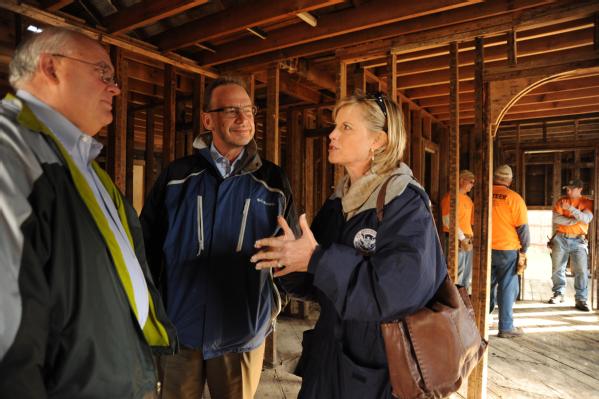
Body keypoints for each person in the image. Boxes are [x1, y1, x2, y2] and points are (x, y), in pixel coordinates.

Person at [0, 28, 176, 398]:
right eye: (104, 73)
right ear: (51, 67)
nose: (115, 88)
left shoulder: (79, 164)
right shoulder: (12, 152)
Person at [251, 93, 447, 398]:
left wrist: (317, 259)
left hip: (378, 372)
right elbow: (319, 284)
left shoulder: (404, 203)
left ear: (378, 141)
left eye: (346, 127)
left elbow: (397, 293)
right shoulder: (340, 200)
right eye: (334, 126)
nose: (331, 134)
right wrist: (289, 261)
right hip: (328, 361)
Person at [140, 77, 297, 399]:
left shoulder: (272, 180)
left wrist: (269, 306)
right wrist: (157, 309)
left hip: (241, 330)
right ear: (208, 120)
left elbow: (291, 251)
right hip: (180, 328)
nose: (244, 119)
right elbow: (147, 246)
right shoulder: (177, 176)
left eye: (249, 111)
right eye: (231, 111)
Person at [490, 164, 529, 338]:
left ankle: (481, 320)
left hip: (485, 249)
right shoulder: (514, 198)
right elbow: (523, 229)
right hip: (507, 249)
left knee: (485, 286)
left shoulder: (482, 195)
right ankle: (505, 327)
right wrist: (524, 249)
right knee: (506, 288)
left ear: (494, 178)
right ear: (509, 180)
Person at [548, 179, 593, 311]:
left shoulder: (587, 202)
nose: (567, 191)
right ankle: (558, 294)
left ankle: (581, 299)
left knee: (581, 271)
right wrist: (574, 221)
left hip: (579, 240)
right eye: (567, 188)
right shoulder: (561, 201)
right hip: (560, 238)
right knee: (557, 268)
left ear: (580, 189)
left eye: (571, 188)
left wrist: (570, 209)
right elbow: (556, 219)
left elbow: (586, 219)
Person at [441, 169, 475, 290]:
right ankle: (455, 303)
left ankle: (464, 304)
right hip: (456, 239)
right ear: (461, 181)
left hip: (467, 239)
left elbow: (470, 222)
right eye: (470, 181)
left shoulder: (469, 200)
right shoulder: (450, 197)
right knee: (457, 273)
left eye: (473, 182)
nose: (472, 184)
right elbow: (447, 221)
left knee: (466, 275)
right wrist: (462, 238)